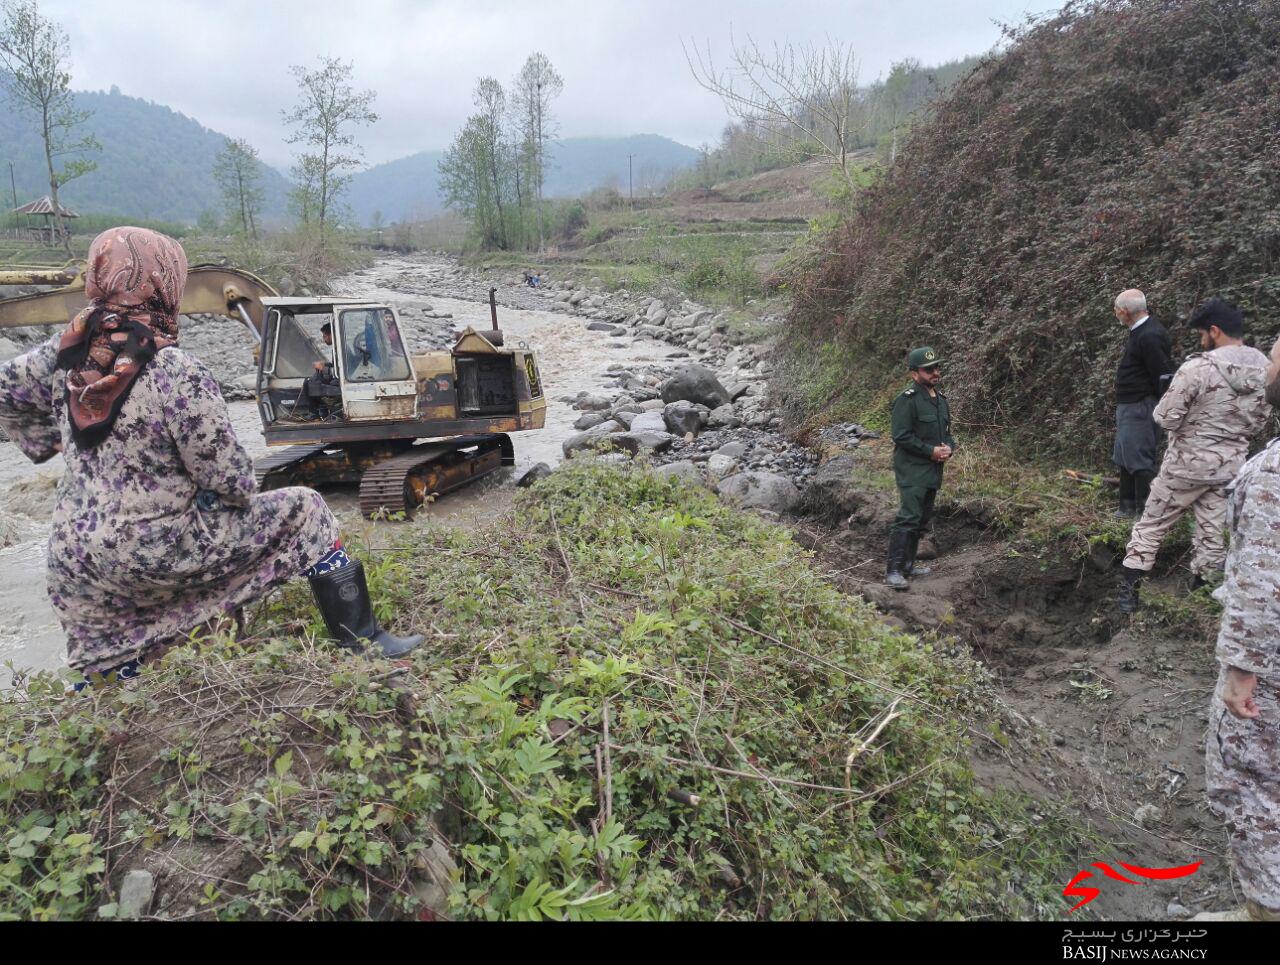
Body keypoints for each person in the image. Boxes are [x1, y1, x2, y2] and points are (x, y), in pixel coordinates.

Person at [0, 227, 422, 686]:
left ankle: (112, 688)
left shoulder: (61, 354)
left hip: (74, 559)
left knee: (108, 656)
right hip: (154, 549)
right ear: (165, 281)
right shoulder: (175, 371)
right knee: (307, 510)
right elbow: (230, 480)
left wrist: (56, 439)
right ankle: (364, 643)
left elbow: (5, 392)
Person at [1194, 337, 1280, 921]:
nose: (1266, 366)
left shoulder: (1274, 473)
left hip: (1272, 668)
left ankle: (1267, 907)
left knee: (1252, 782)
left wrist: (1240, 671)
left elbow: (1264, 578)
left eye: (1276, 355)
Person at [1116, 299, 1269, 613]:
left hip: (1186, 465)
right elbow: (1260, 420)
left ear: (1214, 331)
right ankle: (1202, 597)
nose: (1202, 340)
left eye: (1202, 334)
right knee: (1212, 531)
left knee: (1151, 525)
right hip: (1231, 466)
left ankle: (1127, 596)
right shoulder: (1266, 369)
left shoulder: (1198, 367)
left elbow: (1165, 417)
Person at [886, 347, 955, 590]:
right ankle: (893, 571)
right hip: (912, 469)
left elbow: (947, 434)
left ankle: (908, 565)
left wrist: (948, 448)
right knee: (909, 517)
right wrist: (930, 451)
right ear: (915, 374)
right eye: (929, 369)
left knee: (922, 518)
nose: (935, 372)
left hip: (933, 471)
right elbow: (901, 436)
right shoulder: (907, 400)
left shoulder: (941, 400)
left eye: (937, 367)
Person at [1112, 289, 1174, 518]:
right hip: (1130, 405)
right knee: (1124, 455)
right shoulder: (1138, 332)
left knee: (1138, 457)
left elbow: (1163, 375)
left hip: (1141, 405)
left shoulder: (1150, 335)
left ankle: (1145, 513)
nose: (1116, 314)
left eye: (1117, 310)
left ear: (1126, 312)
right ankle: (1126, 508)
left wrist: (1160, 407)